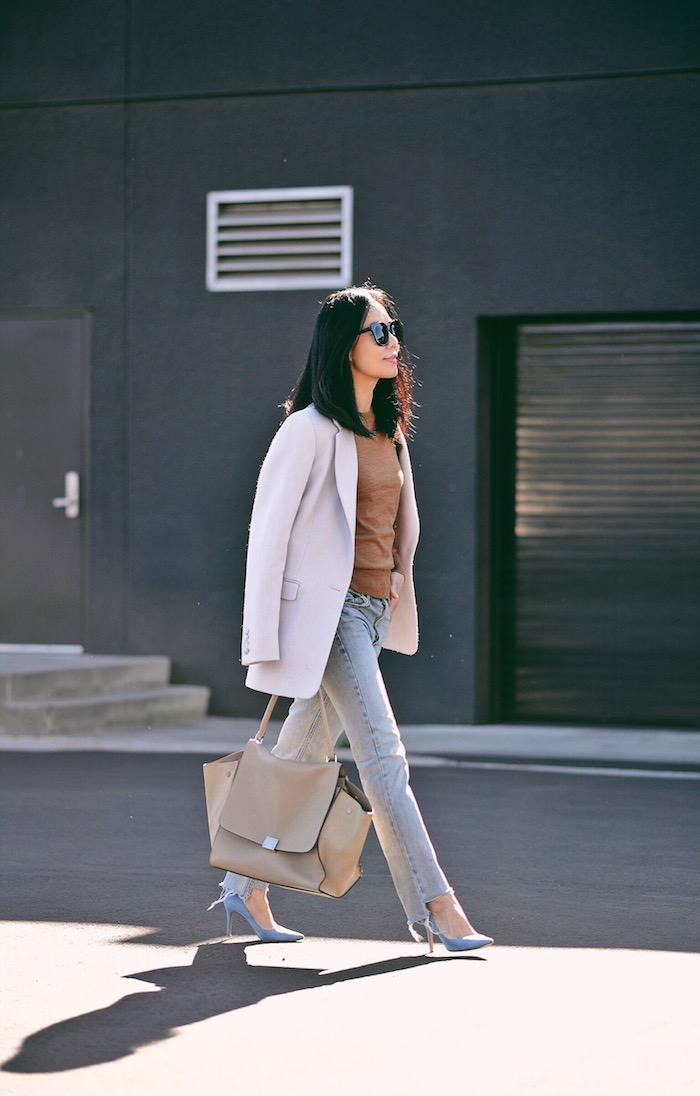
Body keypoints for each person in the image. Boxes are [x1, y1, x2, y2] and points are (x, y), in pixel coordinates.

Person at [209, 285, 493, 953]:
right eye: (379, 332)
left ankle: (241, 891)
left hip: (369, 613)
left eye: (394, 329)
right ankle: (436, 906)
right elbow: (268, 537)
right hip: (327, 618)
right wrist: (266, 638)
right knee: (383, 756)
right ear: (345, 346)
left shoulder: (388, 429)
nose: (394, 342)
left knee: (299, 755)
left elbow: (388, 520)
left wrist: (395, 573)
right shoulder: (306, 430)